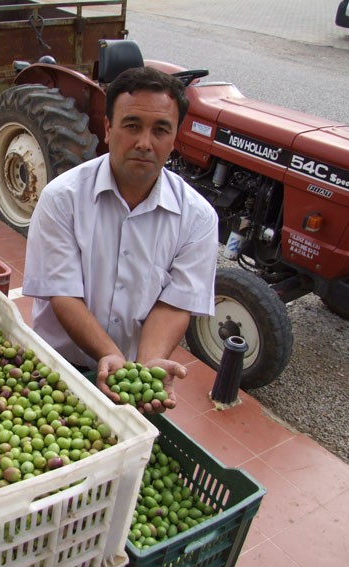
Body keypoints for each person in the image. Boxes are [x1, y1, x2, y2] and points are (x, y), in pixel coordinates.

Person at [22, 66, 219, 413]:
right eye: (132, 126)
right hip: (55, 370)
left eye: (160, 129)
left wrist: (146, 365)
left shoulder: (198, 218)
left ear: (175, 138)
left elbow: (174, 304)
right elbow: (63, 293)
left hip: (127, 373)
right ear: (109, 129)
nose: (145, 143)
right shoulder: (62, 198)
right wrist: (108, 353)